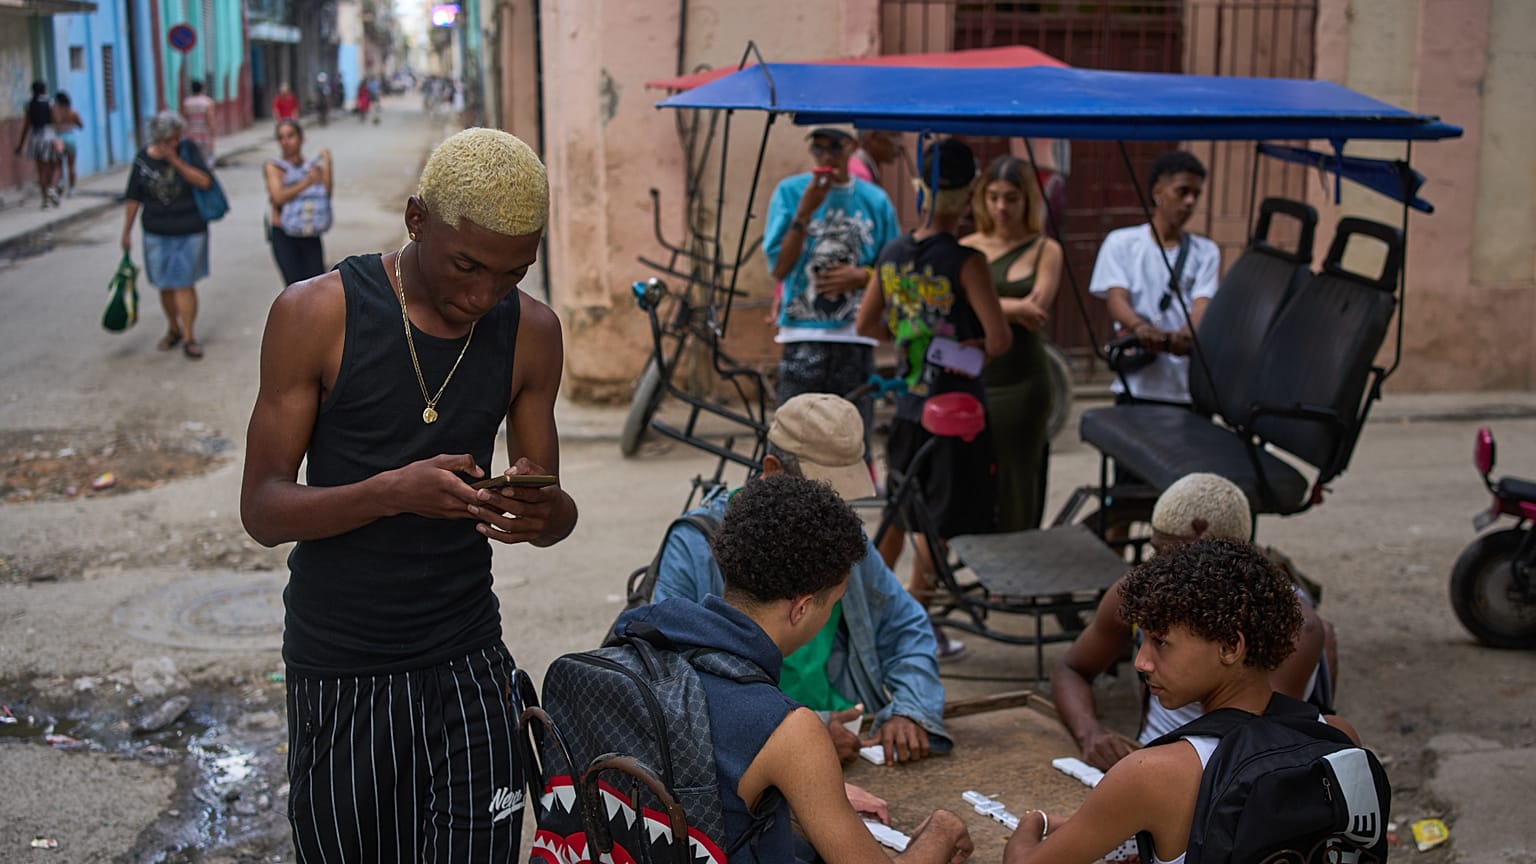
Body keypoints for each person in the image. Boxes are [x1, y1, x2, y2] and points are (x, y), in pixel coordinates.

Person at [239, 128, 578, 860]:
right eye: (466, 265)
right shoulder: (315, 314)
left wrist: (541, 511)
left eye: (512, 274)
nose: (483, 295)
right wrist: (391, 492)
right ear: (416, 218)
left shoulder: (533, 334)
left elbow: (552, 513)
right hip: (341, 669)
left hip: (468, 658)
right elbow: (263, 509)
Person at [616, 474, 974, 864]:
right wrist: (943, 830)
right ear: (802, 608)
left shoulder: (644, 643)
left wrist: (797, 792)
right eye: (834, 602)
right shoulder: (788, 729)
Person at [1003, 538, 1362, 864]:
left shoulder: (1152, 773)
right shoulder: (1338, 736)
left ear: (1229, 647)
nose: (1142, 662)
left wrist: (1035, 821)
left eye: (1160, 642)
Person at [652, 392, 951, 764]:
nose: (834, 509)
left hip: (851, 735)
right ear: (773, 469)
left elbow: (904, 624)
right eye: (822, 492)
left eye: (842, 497)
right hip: (746, 751)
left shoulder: (840, 531)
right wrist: (800, 734)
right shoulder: (696, 544)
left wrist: (910, 708)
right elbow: (669, 684)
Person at [1050, 473, 1334, 770]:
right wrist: (1090, 734)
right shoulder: (1143, 590)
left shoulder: (1292, 626)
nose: (1161, 569)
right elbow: (1072, 669)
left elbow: (1259, 749)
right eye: (1156, 551)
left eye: (1175, 556)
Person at [856, 137, 1011, 661]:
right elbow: (1000, 340)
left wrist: (911, 329)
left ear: (922, 186)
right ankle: (914, 630)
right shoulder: (967, 261)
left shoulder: (893, 252)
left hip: (906, 408)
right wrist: (963, 344)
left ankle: (865, 620)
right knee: (937, 527)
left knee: (898, 515)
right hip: (955, 413)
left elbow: (867, 323)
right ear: (970, 194)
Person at [764, 125, 900, 455]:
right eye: (819, 149)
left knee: (850, 442)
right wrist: (805, 211)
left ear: (852, 147)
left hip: (854, 337)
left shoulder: (874, 200)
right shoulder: (790, 192)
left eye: (834, 148)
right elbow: (779, 268)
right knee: (792, 442)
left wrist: (862, 276)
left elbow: (896, 273)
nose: (826, 157)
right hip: (801, 336)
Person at [960, 156, 1064, 531]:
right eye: (993, 197)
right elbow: (956, 309)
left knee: (1018, 477)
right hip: (974, 378)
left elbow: (1037, 311)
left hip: (1024, 383)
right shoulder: (967, 246)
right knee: (972, 477)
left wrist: (984, 305)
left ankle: (1016, 571)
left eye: (1011, 198)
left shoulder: (1045, 249)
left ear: (1028, 201)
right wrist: (1011, 307)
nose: (1001, 207)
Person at [1088, 150, 1220, 406]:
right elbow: (1116, 299)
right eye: (1182, 192)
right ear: (1158, 192)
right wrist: (1140, 328)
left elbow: (1202, 303)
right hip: (1136, 384)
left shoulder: (1206, 252)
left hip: (1185, 386)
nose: (1190, 202)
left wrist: (1186, 334)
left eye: (1196, 194)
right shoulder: (1121, 243)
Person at [121, 111, 214, 360]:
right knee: (165, 284)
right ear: (158, 139)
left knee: (184, 283)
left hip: (189, 229)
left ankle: (189, 337)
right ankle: (173, 328)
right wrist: (126, 232)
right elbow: (133, 197)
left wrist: (176, 161)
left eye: (176, 138)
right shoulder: (142, 160)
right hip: (156, 231)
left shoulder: (188, 151)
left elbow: (205, 182)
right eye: (169, 140)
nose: (174, 142)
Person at [264, 119, 332, 286]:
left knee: (316, 286)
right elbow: (278, 197)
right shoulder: (274, 167)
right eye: (281, 138)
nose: (286, 142)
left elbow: (326, 194)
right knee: (294, 288)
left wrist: (328, 164)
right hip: (284, 234)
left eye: (290, 136)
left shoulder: (313, 167)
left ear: (301, 138)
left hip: (310, 232)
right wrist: (307, 182)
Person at [15, 81, 62, 208]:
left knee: (41, 170)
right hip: (48, 136)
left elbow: (26, 126)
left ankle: (45, 200)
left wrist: (20, 145)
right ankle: (51, 188)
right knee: (54, 164)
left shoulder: (29, 105)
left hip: (35, 138)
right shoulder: (50, 103)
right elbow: (55, 120)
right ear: (44, 90)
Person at [51, 91, 84, 198]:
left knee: (58, 164)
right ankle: (72, 189)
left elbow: (51, 124)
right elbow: (81, 125)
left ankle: (60, 182)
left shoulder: (54, 112)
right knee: (71, 165)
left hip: (59, 138)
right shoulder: (72, 112)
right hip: (70, 137)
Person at [181, 81, 216, 165]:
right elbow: (210, 120)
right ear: (202, 89)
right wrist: (212, 136)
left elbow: (183, 119)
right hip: (203, 134)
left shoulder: (187, 102)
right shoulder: (207, 102)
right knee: (205, 159)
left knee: (192, 158)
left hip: (191, 134)